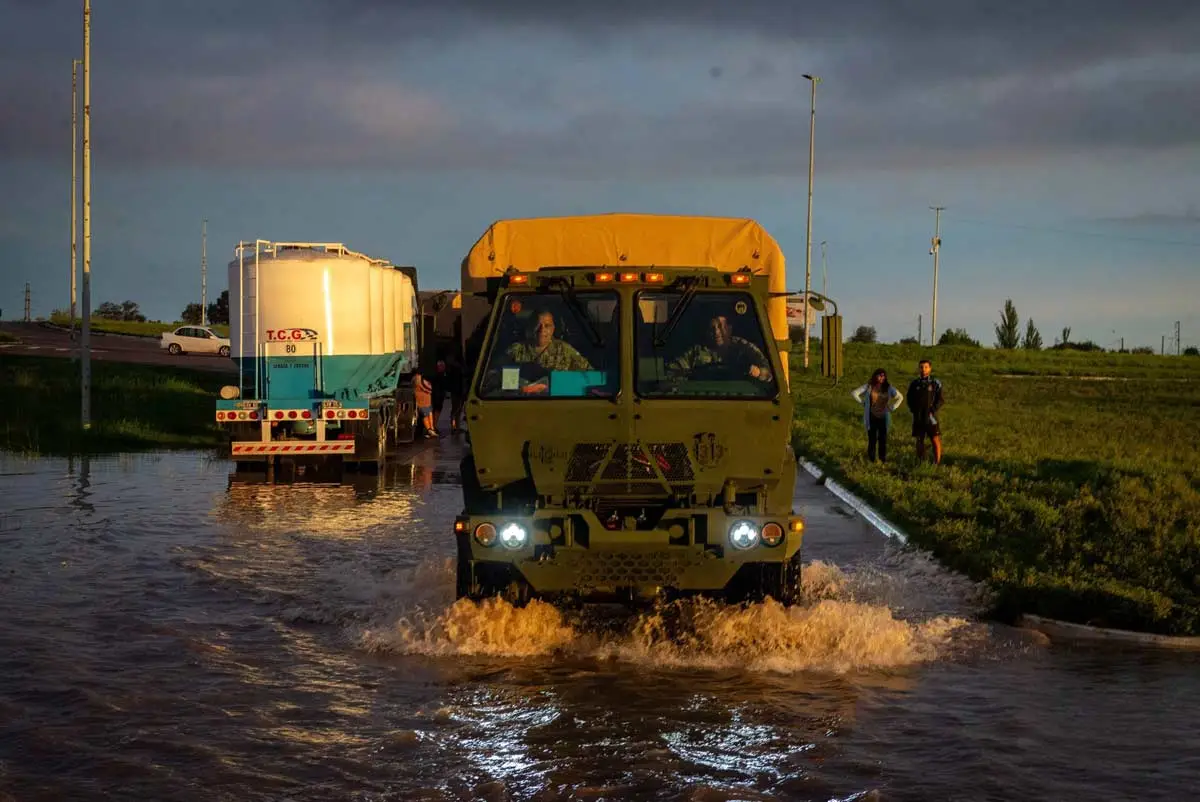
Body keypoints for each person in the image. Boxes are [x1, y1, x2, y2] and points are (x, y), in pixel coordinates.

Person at [503, 310, 592, 394]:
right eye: (537, 325)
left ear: (553, 329)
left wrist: (553, 385)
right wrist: (523, 389)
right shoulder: (515, 350)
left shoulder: (565, 350)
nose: (542, 330)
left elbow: (591, 378)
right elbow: (497, 380)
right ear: (530, 327)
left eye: (547, 325)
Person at [667, 314, 773, 384]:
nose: (717, 332)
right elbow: (672, 372)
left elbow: (770, 373)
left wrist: (758, 372)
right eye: (712, 329)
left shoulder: (744, 347)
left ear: (730, 329)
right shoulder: (696, 352)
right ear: (707, 332)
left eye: (721, 327)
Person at [850, 368, 904, 462]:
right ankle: (871, 459)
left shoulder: (889, 387)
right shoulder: (868, 386)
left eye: (883, 376)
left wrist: (892, 407)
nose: (881, 377)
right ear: (875, 376)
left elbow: (900, 397)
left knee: (883, 439)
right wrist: (863, 402)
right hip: (871, 417)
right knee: (872, 439)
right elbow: (854, 393)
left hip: (884, 417)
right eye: (879, 375)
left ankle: (882, 459)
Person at [907, 359, 945, 464]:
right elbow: (909, 398)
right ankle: (921, 461)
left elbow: (940, 399)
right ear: (918, 368)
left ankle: (937, 463)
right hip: (918, 416)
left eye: (926, 367)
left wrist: (932, 410)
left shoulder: (935, 382)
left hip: (930, 416)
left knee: (934, 439)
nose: (923, 369)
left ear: (930, 368)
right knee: (919, 440)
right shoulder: (914, 383)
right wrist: (913, 409)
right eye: (921, 367)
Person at [413, 371, 436, 439]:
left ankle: (431, 429)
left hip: (424, 400)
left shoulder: (416, 378)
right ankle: (430, 430)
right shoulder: (418, 378)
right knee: (426, 415)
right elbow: (426, 388)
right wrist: (430, 390)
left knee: (428, 414)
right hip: (423, 401)